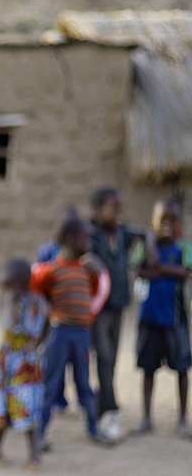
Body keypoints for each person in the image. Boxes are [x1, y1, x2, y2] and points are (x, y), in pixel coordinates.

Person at [31, 217, 114, 450]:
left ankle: (93, 429)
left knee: (84, 385)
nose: (89, 243)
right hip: (59, 333)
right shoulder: (53, 270)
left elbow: (97, 292)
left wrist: (99, 272)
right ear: (70, 240)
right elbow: (37, 289)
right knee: (51, 383)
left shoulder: (88, 270)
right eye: (85, 238)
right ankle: (40, 434)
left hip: (81, 334)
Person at [89, 187, 157, 438]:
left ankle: (101, 405)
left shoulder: (122, 232)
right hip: (98, 309)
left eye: (122, 208)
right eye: (114, 208)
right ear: (97, 211)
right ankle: (111, 410)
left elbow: (145, 232)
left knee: (112, 360)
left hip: (118, 306)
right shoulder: (89, 235)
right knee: (104, 357)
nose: (120, 213)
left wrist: (149, 242)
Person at [131, 199, 192, 437]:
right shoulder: (145, 246)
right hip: (149, 319)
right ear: (153, 223)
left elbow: (186, 273)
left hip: (175, 320)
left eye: (172, 220)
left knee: (181, 369)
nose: (167, 225)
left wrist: (159, 270)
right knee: (147, 369)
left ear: (179, 223)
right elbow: (137, 270)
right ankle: (146, 418)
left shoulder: (183, 247)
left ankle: (182, 421)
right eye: (162, 220)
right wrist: (168, 269)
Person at [0, 259, 48, 471]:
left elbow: (21, 322)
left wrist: (37, 346)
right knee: (2, 409)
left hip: (25, 366)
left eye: (7, 286)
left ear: (18, 285)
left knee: (30, 410)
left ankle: (34, 456)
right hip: (7, 365)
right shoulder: (30, 301)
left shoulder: (32, 302)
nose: (4, 291)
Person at [35, 205, 80, 415]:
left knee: (70, 360)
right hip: (53, 314)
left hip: (72, 315)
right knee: (53, 359)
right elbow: (39, 282)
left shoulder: (81, 254)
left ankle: (62, 398)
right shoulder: (47, 252)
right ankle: (54, 398)